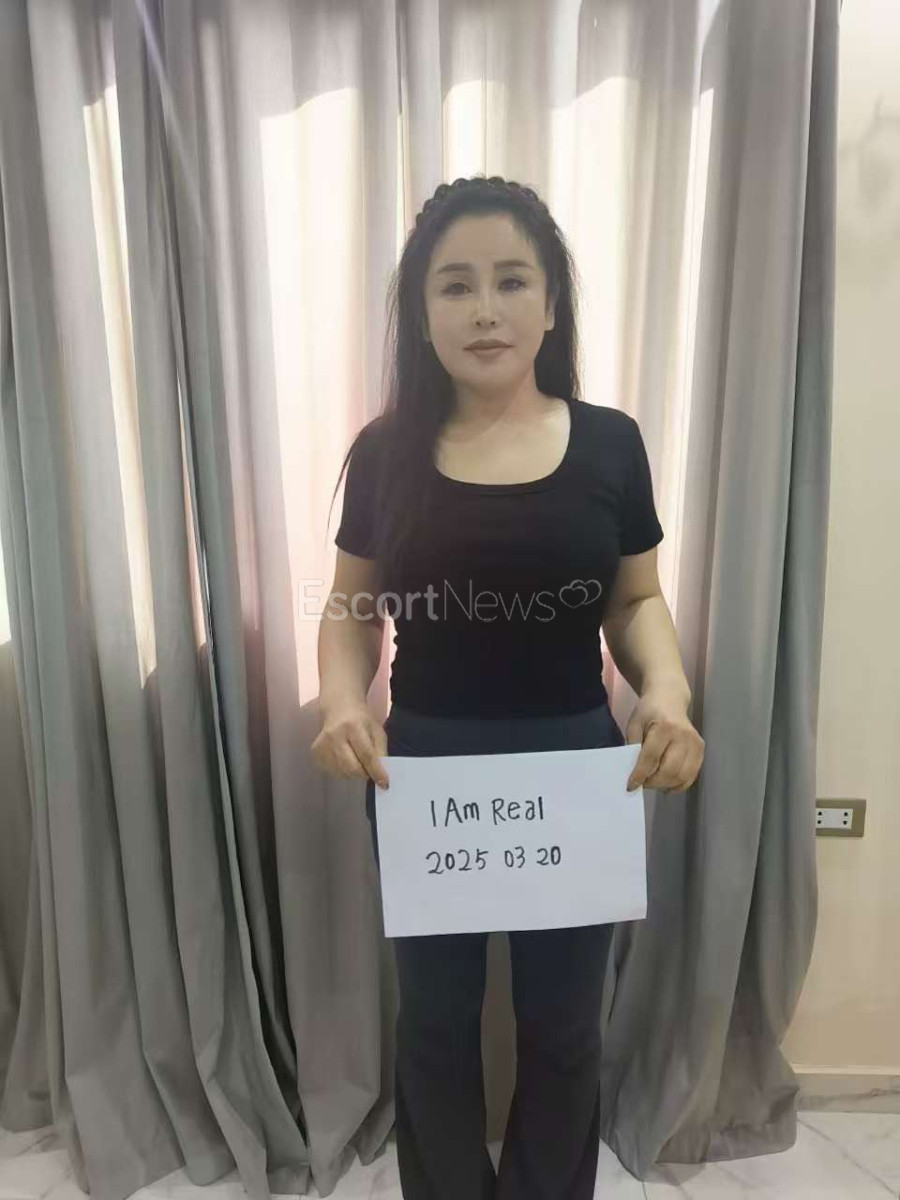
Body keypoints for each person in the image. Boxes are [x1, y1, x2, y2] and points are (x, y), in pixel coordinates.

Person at [313, 175, 704, 1200]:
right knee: (435, 1023)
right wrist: (346, 703)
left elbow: (636, 599)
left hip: (574, 768)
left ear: (551, 303)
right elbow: (351, 610)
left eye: (511, 281)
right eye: (455, 286)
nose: (484, 309)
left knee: (564, 1026)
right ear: (420, 313)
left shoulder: (611, 442)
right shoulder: (384, 455)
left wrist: (665, 692)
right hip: (425, 772)